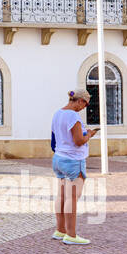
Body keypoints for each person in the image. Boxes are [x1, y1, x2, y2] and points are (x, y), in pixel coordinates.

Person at [50, 89, 95, 245]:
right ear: (80, 101)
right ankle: (71, 235)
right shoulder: (73, 116)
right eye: (85, 104)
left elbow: (53, 140)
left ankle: (60, 230)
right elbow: (78, 141)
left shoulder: (57, 114)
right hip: (73, 160)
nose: (85, 107)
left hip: (59, 158)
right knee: (72, 198)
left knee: (61, 196)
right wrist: (89, 135)